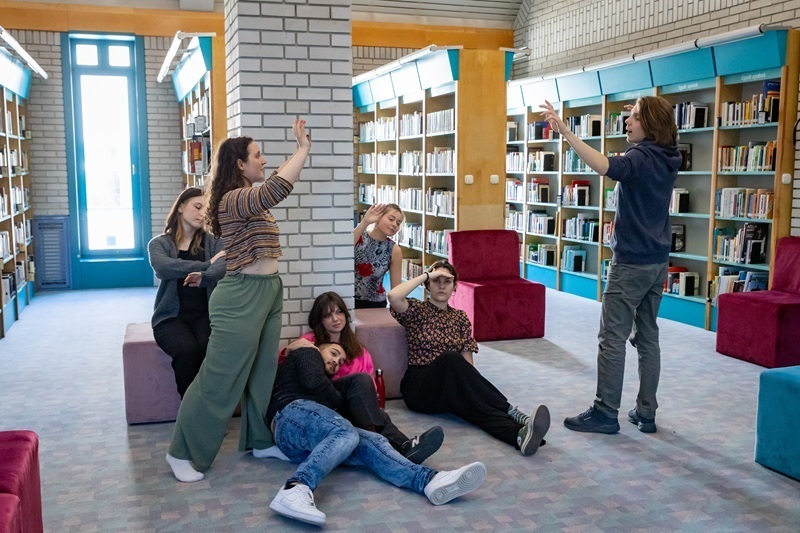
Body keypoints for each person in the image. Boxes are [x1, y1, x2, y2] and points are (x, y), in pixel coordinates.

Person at [166, 119, 311, 483]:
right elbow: (276, 189)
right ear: (240, 164)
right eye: (257, 155)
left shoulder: (248, 202)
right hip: (241, 295)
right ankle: (181, 452)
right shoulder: (234, 199)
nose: (264, 161)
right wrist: (303, 149)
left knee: (262, 372)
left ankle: (260, 440)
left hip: (268, 289)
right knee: (219, 378)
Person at [540, 96, 681, 434]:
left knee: (612, 338)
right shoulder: (669, 156)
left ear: (651, 124)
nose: (627, 122)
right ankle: (646, 412)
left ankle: (605, 412)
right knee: (647, 336)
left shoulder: (640, 157)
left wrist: (566, 133)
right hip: (657, 261)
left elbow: (604, 166)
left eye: (635, 117)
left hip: (631, 262)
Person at [268, 342, 487, 526]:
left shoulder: (325, 391)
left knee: (373, 442)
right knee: (346, 432)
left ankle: (429, 480)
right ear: (320, 347)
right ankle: (296, 486)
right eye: (333, 353)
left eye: (341, 361)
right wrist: (338, 398)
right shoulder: (308, 350)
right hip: (289, 414)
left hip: (305, 443)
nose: (336, 361)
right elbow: (313, 381)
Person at [387, 260, 550, 456]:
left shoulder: (460, 318)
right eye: (436, 280)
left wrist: (475, 392)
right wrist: (427, 274)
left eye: (447, 281)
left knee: (475, 407)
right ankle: (512, 412)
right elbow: (393, 296)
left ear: (455, 287)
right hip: (420, 389)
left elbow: (468, 367)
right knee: (450, 358)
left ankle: (518, 435)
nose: (441, 285)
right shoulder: (416, 310)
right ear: (427, 285)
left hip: (448, 386)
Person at [280, 291, 443, 463]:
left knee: (378, 413)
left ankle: (405, 446)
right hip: (320, 402)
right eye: (328, 315)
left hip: (350, 407)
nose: (335, 319)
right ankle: (385, 445)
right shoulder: (310, 341)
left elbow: (369, 390)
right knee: (361, 383)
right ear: (320, 320)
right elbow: (288, 368)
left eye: (339, 312)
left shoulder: (359, 351)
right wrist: (288, 349)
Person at [148, 188, 226, 397]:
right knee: (186, 351)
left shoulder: (214, 242)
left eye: (206, 209)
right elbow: (163, 268)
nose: (202, 214)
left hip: (205, 315)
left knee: (209, 350)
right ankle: (190, 408)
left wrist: (207, 273)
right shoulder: (159, 244)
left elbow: (221, 267)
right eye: (197, 207)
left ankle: (210, 407)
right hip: (170, 318)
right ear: (181, 207)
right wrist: (207, 265)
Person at [353, 203, 404, 308]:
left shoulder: (394, 250)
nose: (395, 224)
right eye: (391, 219)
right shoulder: (359, 237)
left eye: (398, 223)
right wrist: (365, 221)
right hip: (350, 300)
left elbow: (397, 290)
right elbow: (343, 248)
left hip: (376, 304)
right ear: (378, 217)